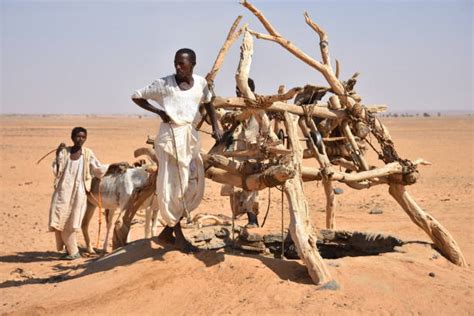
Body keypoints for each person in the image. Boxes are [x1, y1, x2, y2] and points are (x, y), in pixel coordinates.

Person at [132, 48, 222, 252]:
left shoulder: (200, 83)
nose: (178, 67)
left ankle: (167, 232)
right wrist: (159, 112)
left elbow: (208, 102)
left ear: (193, 64)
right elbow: (137, 96)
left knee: (192, 182)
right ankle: (179, 236)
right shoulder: (164, 84)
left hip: (189, 137)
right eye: (176, 63)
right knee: (174, 186)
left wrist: (216, 126)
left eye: (182, 63)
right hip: (170, 138)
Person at [49, 127, 109, 260]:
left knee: (73, 222)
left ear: (85, 138)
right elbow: (56, 170)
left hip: (80, 192)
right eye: (77, 136)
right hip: (63, 192)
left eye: (83, 137)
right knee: (60, 220)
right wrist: (58, 154)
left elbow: (98, 169)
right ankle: (71, 250)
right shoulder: (65, 152)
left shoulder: (88, 153)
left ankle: (73, 252)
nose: (80, 139)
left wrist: (113, 167)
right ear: (72, 137)